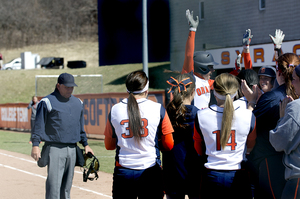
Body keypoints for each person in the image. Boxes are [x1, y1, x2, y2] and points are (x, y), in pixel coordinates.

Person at [104, 70, 174, 199]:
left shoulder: (115, 110)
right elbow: (169, 144)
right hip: (151, 171)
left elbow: (109, 145)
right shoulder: (158, 109)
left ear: (127, 89)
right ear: (146, 89)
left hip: (123, 172)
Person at [242, 53, 300, 198]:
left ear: (278, 72)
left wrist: (252, 102)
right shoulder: (290, 96)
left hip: (271, 159)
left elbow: (249, 125)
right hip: (286, 162)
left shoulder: (276, 98)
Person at [31, 73, 94, 199]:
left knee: (66, 188)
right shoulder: (47, 102)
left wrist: (86, 144)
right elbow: (38, 125)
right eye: (67, 87)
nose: (70, 89)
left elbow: (80, 127)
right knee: (53, 187)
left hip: (72, 149)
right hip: (54, 148)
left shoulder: (78, 103)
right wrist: (35, 145)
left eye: (72, 87)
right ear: (58, 86)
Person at [193, 73, 256, 199]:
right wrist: (252, 102)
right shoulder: (249, 116)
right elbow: (250, 146)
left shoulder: (201, 115)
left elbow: (198, 148)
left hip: (211, 175)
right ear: (236, 91)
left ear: (214, 92)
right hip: (238, 174)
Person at [163, 73, 200, 199]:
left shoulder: (166, 113)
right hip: (194, 171)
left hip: (171, 171)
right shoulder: (199, 115)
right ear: (193, 91)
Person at [269, 64, 300, 199]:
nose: (292, 84)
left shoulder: (296, 107)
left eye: (294, 79)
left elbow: (278, 142)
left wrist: (282, 119)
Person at [181, 9, 218, 110]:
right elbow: (189, 55)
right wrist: (192, 30)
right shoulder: (190, 78)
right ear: (202, 67)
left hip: (204, 120)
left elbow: (229, 82)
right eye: (210, 67)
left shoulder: (208, 82)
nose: (212, 70)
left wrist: (237, 69)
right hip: (192, 120)